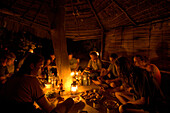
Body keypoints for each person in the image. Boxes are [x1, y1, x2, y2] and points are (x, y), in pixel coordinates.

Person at [0, 53, 83, 113]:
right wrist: (56, 101)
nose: (42, 69)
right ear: (32, 66)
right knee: (70, 101)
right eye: (40, 66)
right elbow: (49, 109)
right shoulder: (31, 80)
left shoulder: (13, 77)